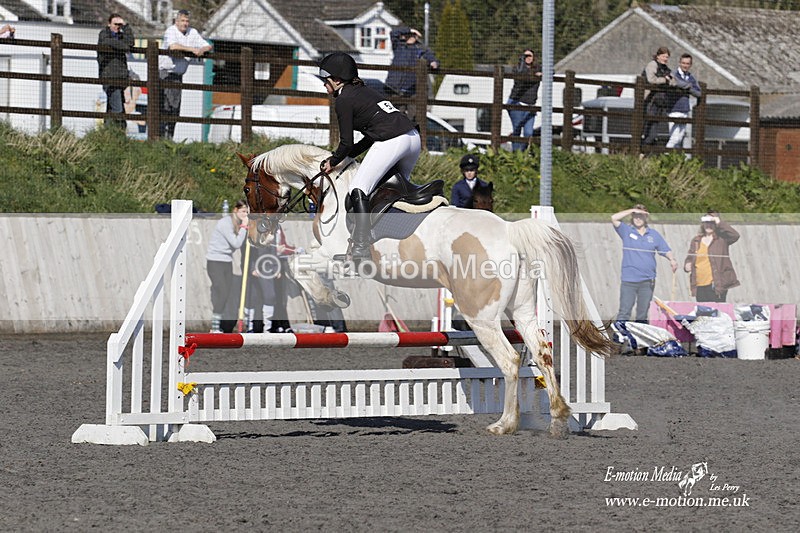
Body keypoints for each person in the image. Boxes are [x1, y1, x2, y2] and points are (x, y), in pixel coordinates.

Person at [316, 52, 420, 264]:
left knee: (358, 189)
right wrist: (346, 158)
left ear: (336, 80)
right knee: (390, 191)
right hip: (413, 139)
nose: (324, 86)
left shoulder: (344, 99)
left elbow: (345, 143)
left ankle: (361, 248)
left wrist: (333, 161)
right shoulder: (365, 91)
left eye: (325, 81)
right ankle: (392, 241)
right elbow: (368, 138)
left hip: (393, 141)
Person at [612, 204, 678, 323]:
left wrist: (672, 259)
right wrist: (632, 210)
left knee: (642, 313)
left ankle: (640, 337)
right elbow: (614, 218)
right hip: (629, 280)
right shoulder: (626, 230)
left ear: (646, 217)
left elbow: (665, 249)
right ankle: (619, 335)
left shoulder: (653, 234)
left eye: (641, 215)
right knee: (625, 311)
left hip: (647, 280)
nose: (638, 218)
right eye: (635, 215)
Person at [158, 9, 211, 139]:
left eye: (187, 21)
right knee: (164, 107)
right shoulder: (171, 31)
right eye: (182, 20)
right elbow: (173, 47)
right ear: (176, 21)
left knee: (175, 109)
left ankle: (170, 138)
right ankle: (160, 138)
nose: (185, 23)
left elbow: (207, 45)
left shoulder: (192, 32)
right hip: (165, 74)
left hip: (178, 76)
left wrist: (201, 50)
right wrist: (192, 49)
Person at [206, 200, 249, 333]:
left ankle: (221, 326)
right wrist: (244, 228)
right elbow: (236, 243)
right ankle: (214, 327)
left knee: (226, 293)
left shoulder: (237, 223)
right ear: (235, 210)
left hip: (226, 262)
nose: (245, 214)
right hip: (215, 262)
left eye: (247, 212)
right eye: (243, 211)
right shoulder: (225, 223)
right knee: (222, 292)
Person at [384, 27, 439, 124]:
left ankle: (411, 134)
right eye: (411, 35)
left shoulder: (420, 49)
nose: (412, 37)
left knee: (413, 116)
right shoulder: (398, 45)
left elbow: (431, 57)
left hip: (412, 90)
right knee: (395, 114)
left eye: (414, 35)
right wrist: (409, 30)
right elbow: (393, 33)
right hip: (394, 88)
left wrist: (434, 63)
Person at [684, 211, 740, 302]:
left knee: (716, 312)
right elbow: (690, 257)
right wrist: (687, 264)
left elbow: (735, 235)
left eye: (711, 223)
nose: (708, 225)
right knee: (703, 312)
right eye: (706, 223)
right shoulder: (696, 240)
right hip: (699, 284)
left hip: (716, 284)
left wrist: (719, 222)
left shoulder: (722, 239)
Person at [97, 14, 134, 129]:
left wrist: (126, 26)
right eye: (115, 24)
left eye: (120, 25)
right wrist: (124, 46)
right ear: (109, 24)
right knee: (118, 109)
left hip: (121, 78)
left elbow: (131, 43)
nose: (118, 27)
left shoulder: (122, 36)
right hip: (109, 78)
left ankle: (107, 133)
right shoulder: (104, 34)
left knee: (112, 106)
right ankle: (119, 132)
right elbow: (108, 42)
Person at [506, 49, 541, 151]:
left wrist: (542, 73)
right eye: (525, 56)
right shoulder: (518, 68)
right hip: (517, 103)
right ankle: (516, 154)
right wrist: (534, 74)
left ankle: (523, 153)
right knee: (517, 130)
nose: (528, 58)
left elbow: (551, 71)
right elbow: (521, 74)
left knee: (528, 133)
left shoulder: (537, 68)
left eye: (530, 55)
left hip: (530, 105)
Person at [641, 46, 677, 146]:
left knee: (654, 125)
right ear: (658, 56)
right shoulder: (652, 65)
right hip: (649, 100)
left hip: (660, 102)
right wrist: (664, 80)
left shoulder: (666, 69)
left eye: (667, 57)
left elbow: (674, 81)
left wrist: (670, 80)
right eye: (664, 56)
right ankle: (642, 148)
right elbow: (651, 80)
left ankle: (646, 148)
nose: (665, 59)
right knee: (647, 124)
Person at [665, 53, 702, 150]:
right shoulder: (673, 74)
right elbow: (676, 82)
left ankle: (673, 162)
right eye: (683, 63)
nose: (685, 65)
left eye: (687, 63)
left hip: (685, 109)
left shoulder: (691, 77)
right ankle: (664, 158)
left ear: (690, 65)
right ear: (679, 63)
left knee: (679, 139)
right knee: (674, 138)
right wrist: (688, 86)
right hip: (674, 109)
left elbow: (698, 93)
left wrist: (686, 87)